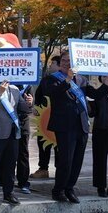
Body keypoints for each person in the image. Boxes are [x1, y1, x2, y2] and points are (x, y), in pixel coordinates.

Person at [36, 52, 88, 203]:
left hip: (81, 124)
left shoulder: (82, 79)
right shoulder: (51, 79)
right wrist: (68, 79)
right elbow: (52, 93)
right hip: (64, 126)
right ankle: (58, 190)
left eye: (70, 61)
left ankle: (69, 188)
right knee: (66, 160)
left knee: (77, 160)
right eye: (64, 60)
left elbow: (93, 94)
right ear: (60, 63)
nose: (66, 63)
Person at [0, 79, 33, 205]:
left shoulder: (15, 89)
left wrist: (29, 103)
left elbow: (23, 108)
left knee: (10, 164)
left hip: (13, 133)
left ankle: (9, 193)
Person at [31, 55, 63, 179]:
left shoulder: (68, 80)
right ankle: (43, 169)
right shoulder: (46, 79)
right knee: (43, 143)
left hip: (60, 119)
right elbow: (39, 94)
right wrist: (36, 107)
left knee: (59, 145)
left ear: (59, 65)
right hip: (44, 118)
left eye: (53, 63)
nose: (50, 65)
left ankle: (60, 170)